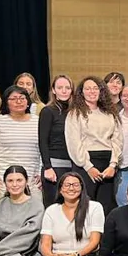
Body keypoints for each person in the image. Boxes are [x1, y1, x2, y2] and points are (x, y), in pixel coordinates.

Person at [65, 76, 122, 214]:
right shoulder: (75, 114)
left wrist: (113, 165)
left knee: (106, 207)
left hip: (108, 164)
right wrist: (88, 167)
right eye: (88, 88)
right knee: (85, 205)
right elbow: (74, 143)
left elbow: (117, 140)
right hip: (85, 163)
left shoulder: (110, 113)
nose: (92, 91)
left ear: (101, 91)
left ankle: (104, 235)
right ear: (81, 92)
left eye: (95, 88)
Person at [0, 85, 43, 201]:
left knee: (34, 213)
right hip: (4, 178)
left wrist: (41, 171)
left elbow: (43, 149)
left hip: (32, 179)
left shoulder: (38, 121)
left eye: (22, 98)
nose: (18, 101)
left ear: (28, 102)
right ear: (6, 102)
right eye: (14, 98)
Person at [38, 74, 74, 207]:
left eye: (67, 87)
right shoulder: (48, 111)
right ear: (53, 90)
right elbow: (43, 141)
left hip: (73, 165)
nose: (64, 91)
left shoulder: (74, 111)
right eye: (60, 87)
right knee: (53, 206)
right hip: (54, 166)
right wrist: (48, 167)